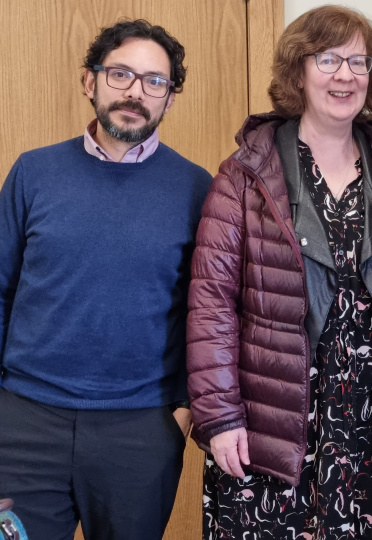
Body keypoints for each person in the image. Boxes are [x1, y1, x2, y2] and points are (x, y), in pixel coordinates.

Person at [186, 6, 372, 539]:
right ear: (298, 71)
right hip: (272, 425)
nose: (345, 75)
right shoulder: (246, 173)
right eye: (329, 59)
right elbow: (212, 304)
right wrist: (220, 418)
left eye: (359, 62)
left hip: (371, 425)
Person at [0, 19, 211, 540]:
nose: (135, 92)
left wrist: (184, 409)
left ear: (170, 99)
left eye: (154, 81)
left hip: (140, 429)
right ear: (89, 81)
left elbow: (207, 310)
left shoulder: (197, 188)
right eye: (120, 74)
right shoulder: (33, 172)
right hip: (26, 422)